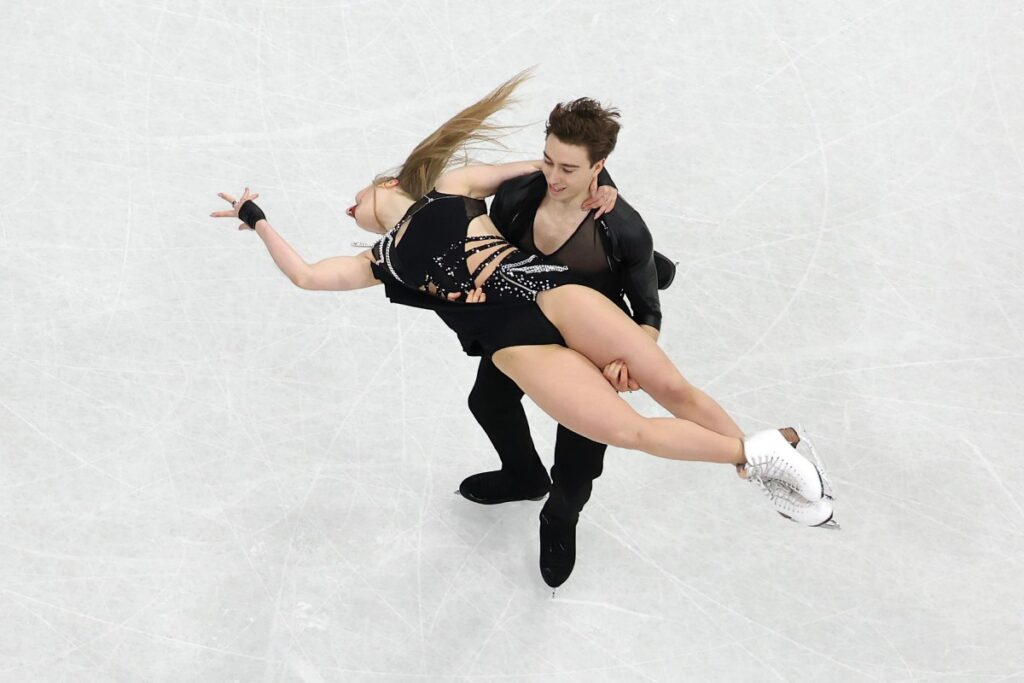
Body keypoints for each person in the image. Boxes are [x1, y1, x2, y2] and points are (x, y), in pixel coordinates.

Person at [209, 72, 839, 565]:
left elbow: (550, 168)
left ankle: (762, 470)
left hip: (551, 290)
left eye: (358, 197)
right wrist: (256, 218)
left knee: (670, 387)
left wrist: (605, 183)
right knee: (629, 429)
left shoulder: (453, 187)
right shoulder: (381, 261)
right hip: (514, 343)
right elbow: (306, 275)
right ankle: (755, 456)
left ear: (390, 181)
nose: (350, 208)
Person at [458, 97, 680, 588]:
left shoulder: (623, 228)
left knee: (580, 458)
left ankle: (560, 516)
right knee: (487, 401)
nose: (554, 178)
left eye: (570, 168)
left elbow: (647, 312)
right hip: (530, 324)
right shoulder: (518, 197)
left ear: (600, 166)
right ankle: (523, 477)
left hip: (590, 335)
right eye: (548, 161)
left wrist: (630, 357)